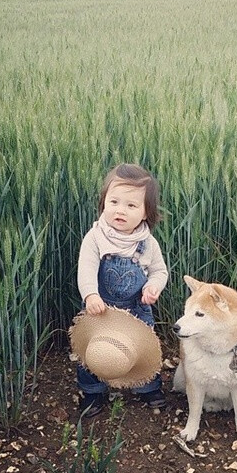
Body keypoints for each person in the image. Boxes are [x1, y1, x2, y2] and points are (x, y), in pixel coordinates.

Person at [76, 163, 168, 417]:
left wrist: (153, 286)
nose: (120, 210)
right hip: (101, 308)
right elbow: (86, 269)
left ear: (146, 212)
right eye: (114, 201)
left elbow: (160, 271)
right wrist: (90, 295)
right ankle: (93, 391)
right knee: (93, 351)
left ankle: (147, 386)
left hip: (137, 308)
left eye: (131, 205)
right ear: (103, 202)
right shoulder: (95, 238)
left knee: (143, 349)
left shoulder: (148, 243)